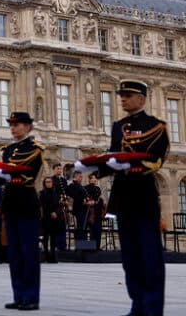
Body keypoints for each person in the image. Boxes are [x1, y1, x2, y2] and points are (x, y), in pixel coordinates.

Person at [77, 79, 169, 316]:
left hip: (144, 194)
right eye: (122, 95)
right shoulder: (118, 126)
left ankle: (152, 308)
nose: (123, 99)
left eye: (128, 95)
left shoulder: (156, 126)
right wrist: (95, 168)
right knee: (130, 257)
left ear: (141, 98)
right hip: (123, 196)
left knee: (150, 256)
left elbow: (157, 158)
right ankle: (137, 304)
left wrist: (130, 165)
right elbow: (113, 156)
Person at [1, 111, 45, 311]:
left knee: (28, 253)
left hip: (26, 203)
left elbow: (29, 176)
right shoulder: (8, 150)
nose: (12, 128)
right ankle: (18, 295)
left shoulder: (35, 149)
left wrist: (7, 175)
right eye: (11, 125)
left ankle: (31, 297)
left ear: (27, 127)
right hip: (11, 203)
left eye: (16, 124)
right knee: (15, 253)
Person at [39, 177, 62, 263]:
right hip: (46, 218)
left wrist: (56, 213)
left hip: (54, 218)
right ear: (44, 183)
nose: (49, 183)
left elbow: (58, 205)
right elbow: (43, 205)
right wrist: (51, 212)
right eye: (47, 182)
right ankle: (46, 255)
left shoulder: (55, 193)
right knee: (45, 238)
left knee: (53, 238)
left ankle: (53, 256)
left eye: (50, 182)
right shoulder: (42, 193)